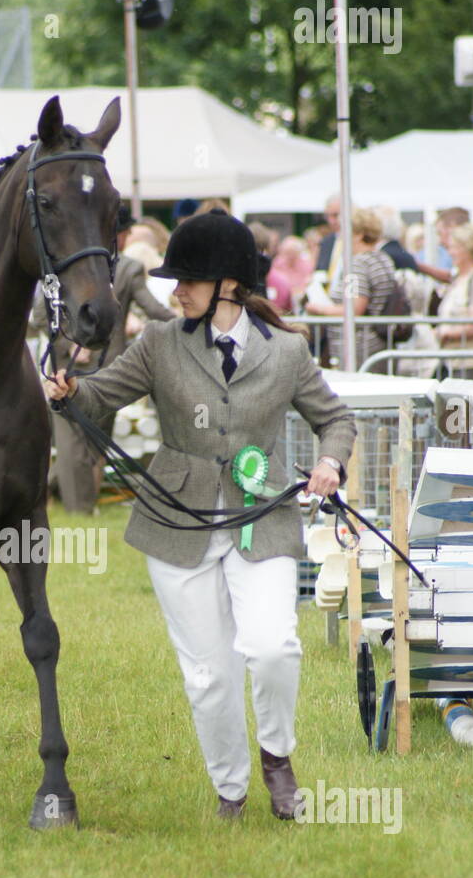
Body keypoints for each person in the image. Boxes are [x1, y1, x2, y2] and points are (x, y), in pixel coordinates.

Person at [43, 209, 356, 819]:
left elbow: (335, 419)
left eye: (187, 280)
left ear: (230, 287)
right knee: (209, 677)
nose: (174, 290)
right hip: (177, 522)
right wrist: (72, 390)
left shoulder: (288, 351)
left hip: (260, 519)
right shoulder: (160, 342)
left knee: (271, 647)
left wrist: (330, 462)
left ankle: (277, 758)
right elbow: (105, 390)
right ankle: (231, 791)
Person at [36, 203, 176, 513]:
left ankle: (75, 500)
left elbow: (151, 309)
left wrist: (186, 323)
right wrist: (71, 342)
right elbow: (40, 314)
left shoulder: (126, 268)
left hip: (107, 369)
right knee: (76, 442)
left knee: (93, 443)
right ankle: (80, 509)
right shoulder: (66, 266)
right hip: (70, 367)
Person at [305, 207, 395, 368]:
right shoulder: (382, 258)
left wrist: (320, 309)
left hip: (358, 348)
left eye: (344, 231)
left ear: (359, 234)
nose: (340, 237)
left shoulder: (358, 264)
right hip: (376, 345)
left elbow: (354, 308)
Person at [434, 223, 473, 365]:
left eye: (454, 247)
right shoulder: (458, 279)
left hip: (469, 362)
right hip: (452, 361)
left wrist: (446, 333)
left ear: (467, 249)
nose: (450, 252)